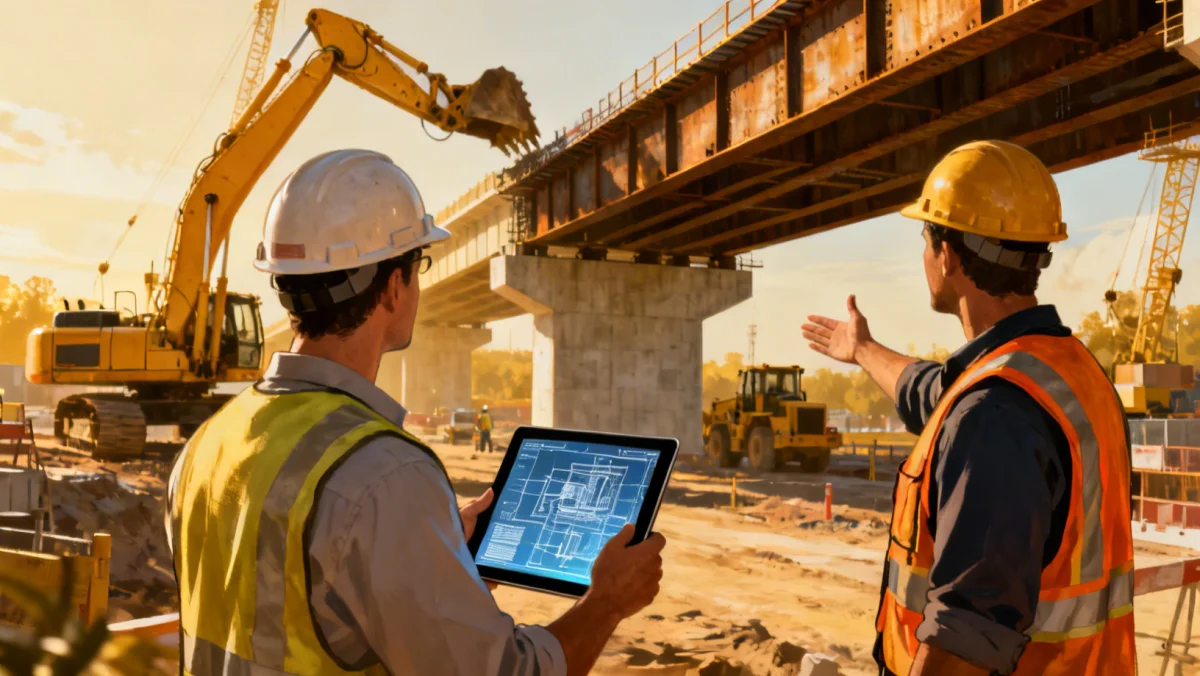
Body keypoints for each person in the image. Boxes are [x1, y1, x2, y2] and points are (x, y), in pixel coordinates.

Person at [165, 150, 666, 676]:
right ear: (394, 286)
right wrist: (607, 601)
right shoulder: (384, 476)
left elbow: (283, 598)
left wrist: (434, 566)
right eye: (418, 266)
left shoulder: (208, 443)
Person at [802, 140, 1135, 676]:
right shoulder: (1064, 372)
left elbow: (965, 642)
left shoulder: (993, 415)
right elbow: (933, 392)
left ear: (949, 255)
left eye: (925, 237)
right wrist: (862, 349)